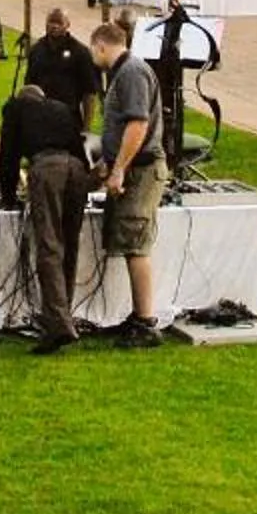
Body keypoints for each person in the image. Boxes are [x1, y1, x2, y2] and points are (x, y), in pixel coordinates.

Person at [84, 20, 165, 348]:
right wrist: (107, 162)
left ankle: (146, 322)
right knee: (130, 241)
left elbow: (137, 125)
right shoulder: (122, 72)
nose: (93, 56)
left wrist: (118, 169)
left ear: (101, 45)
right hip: (131, 166)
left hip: (141, 171)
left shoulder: (131, 72)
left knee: (135, 244)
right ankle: (137, 317)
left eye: (93, 50)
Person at [0, 81, 92, 353]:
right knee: (70, 243)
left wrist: (8, 195)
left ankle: (58, 323)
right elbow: (79, 144)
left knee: (49, 245)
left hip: (47, 168)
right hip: (76, 170)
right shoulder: (61, 108)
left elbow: (8, 156)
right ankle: (63, 313)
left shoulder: (14, 108)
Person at [26, 7, 98, 115]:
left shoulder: (80, 52)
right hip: (40, 115)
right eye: (51, 22)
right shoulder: (36, 49)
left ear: (68, 25)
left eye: (59, 22)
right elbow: (29, 86)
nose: (54, 26)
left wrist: (86, 128)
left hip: (68, 116)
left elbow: (89, 93)